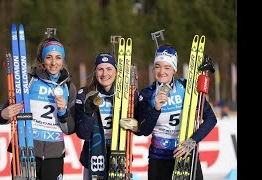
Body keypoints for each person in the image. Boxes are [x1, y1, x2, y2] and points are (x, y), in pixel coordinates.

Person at [120, 44, 217, 180]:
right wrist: (156, 109)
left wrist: (192, 141)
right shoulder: (147, 94)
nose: (162, 72)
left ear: (174, 69)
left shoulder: (186, 88)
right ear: (153, 69)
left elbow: (211, 119)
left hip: (186, 155)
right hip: (159, 159)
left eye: (167, 67)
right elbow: (145, 130)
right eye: (158, 66)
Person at [0, 37, 77, 180]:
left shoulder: (69, 87)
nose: (53, 63)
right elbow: (1, 117)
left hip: (54, 156)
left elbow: (69, 129)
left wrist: (63, 111)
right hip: (25, 151)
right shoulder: (28, 81)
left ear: (63, 60)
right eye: (49, 57)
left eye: (58, 58)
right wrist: (5, 114)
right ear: (42, 60)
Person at [74, 53, 138, 179]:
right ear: (95, 71)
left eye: (109, 69)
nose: (105, 74)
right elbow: (82, 133)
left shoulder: (128, 95)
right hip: (93, 155)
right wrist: (89, 112)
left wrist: (136, 125)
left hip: (120, 154)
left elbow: (142, 126)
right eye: (100, 69)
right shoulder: (85, 94)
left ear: (116, 71)